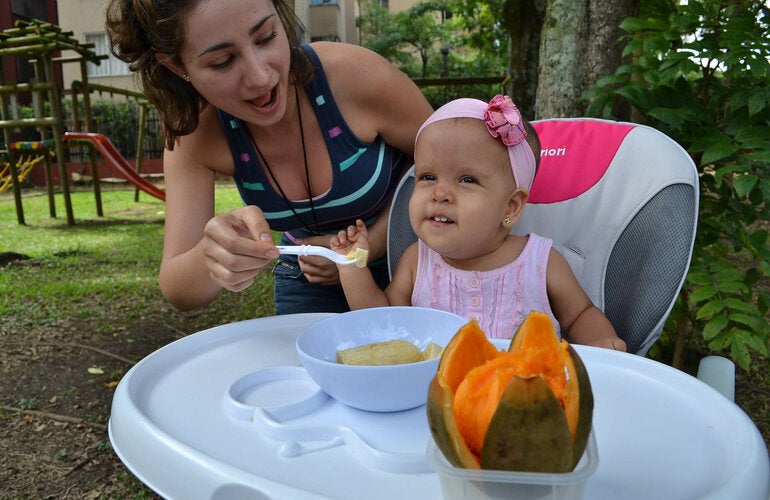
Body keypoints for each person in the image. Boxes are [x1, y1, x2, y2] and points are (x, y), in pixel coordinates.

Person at [105, 0, 433, 314]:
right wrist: (213, 254)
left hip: (414, 263)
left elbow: (453, 172)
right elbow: (180, 292)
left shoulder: (353, 75)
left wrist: (365, 249)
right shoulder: (194, 133)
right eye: (222, 61)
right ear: (176, 66)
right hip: (306, 278)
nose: (260, 77)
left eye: (266, 37)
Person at [330, 96, 626, 350]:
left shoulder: (540, 262)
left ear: (510, 206)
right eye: (428, 177)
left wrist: (601, 342)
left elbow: (580, 314)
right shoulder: (417, 261)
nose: (440, 194)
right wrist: (352, 269)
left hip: (526, 391)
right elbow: (384, 324)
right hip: (434, 393)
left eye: (467, 180)